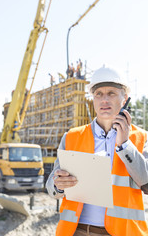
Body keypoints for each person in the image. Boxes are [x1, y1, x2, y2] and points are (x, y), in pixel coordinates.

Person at [46, 66, 148, 236]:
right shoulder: (72, 137)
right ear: (93, 99)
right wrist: (59, 185)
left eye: (111, 93)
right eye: (98, 94)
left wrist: (124, 145)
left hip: (122, 232)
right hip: (76, 231)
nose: (104, 100)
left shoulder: (141, 138)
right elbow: (51, 188)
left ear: (125, 100)